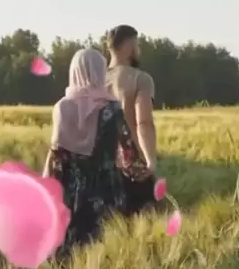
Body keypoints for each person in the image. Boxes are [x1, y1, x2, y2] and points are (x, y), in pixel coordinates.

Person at [43, 47, 151, 259]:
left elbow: (57, 158)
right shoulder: (112, 109)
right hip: (107, 193)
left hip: (71, 194)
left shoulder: (61, 108)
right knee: (107, 251)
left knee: (70, 254)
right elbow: (129, 156)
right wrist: (146, 174)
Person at [106, 25, 158, 213]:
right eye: (137, 44)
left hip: (99, 166)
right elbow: (143, 122)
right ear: (127, 46)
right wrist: (150, 160)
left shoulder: (94, 80)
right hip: (132, 166)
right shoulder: (140, 79)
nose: (139, 49)